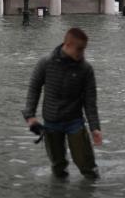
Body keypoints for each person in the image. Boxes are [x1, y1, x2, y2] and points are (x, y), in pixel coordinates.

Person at [23, 28, 103, 180]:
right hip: (51, 122)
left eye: (84, 49)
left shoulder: (86, 69)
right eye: (79, 49)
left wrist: (95, 128)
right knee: (58, 167)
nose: (82, 53)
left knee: (88, 167)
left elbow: (90, 102)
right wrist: (30, 116)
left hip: (75, 122)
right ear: (67, 44)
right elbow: (34, 88)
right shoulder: (46, 63)